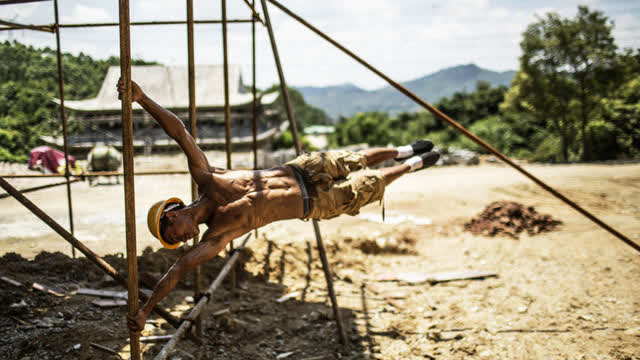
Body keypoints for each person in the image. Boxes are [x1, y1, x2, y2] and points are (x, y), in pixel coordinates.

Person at [118, 79, 440, 333]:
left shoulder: (206, 177)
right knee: (370, 186)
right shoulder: (217, 235)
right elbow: (178, 270)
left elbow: (180, 133)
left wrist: (142, 99)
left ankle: (402, 149)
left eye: (174, 235)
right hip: (313, 203)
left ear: (172, 215)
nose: (181, 241)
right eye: (176, 242)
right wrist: (146, 311)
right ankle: (413, 165)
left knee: (356, 158)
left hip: (302, 169)